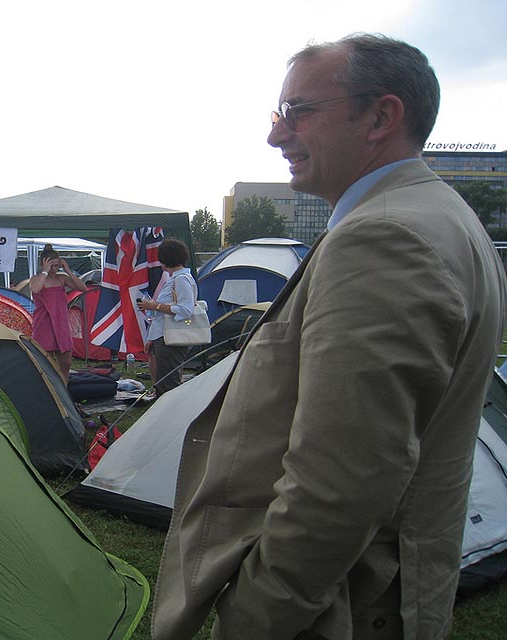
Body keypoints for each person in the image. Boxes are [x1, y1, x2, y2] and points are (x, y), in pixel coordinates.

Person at [153, 34, 507, 640]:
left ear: (381, 116)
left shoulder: (386, 238)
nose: (275, 135)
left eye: (297, 113)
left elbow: (339, 483)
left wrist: (256, 615)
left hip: (343, 605)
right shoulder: (441, 215)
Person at [136, 238, 198, 397]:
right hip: (163, 335)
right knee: (163, 381)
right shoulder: (175, 279)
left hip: (171, 338)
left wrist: (154, 306)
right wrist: (152, 338)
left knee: (168, 383)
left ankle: (170, 416)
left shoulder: (181, 280)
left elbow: (185, 310)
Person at [29, 244, 86, 383]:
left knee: (66, 363)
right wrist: (45, 271)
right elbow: (36, 290)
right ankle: (48, 389)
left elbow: (82, 288)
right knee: (45, 361)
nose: (54, 269)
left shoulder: (62, 278)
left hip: (61, 323)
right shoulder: (36, 279)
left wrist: (67, 270)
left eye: (56, 266)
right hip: (44, 323)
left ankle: (64, 388)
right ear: (43, 264)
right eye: (51, 266)